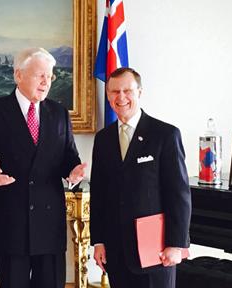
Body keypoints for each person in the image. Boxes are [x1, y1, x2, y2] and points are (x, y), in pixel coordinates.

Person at [0, 47, 87, 288]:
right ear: (18, 75)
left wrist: (73, 172)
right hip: (11, 225)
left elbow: (68, 157)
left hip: (50, 226)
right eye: (39, 75)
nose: (46, 82)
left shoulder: (59, 113)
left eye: (50, 76)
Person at [89, 67, 191, 288]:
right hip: (116, 251)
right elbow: (98, 194)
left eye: (127, 90)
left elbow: (179, 194)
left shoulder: (165, 134)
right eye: (114, 91)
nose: (121, 97)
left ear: (140, 92)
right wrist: (98, 241)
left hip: (155, 250)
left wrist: (176, 244)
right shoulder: (103, 139)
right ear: (107, 95)